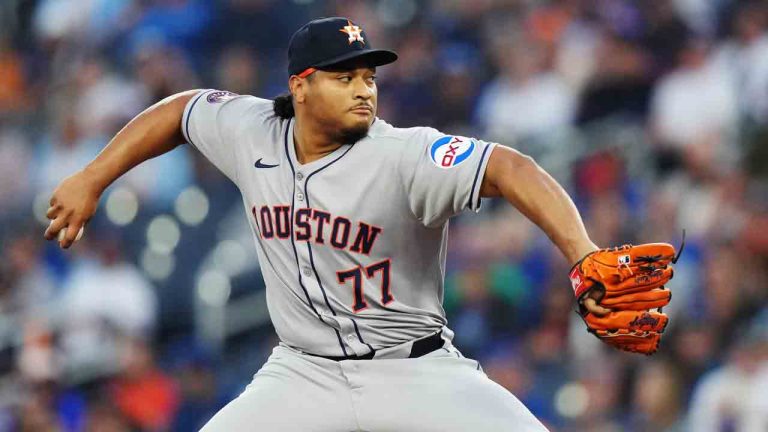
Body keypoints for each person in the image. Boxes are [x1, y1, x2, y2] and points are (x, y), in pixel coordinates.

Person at [46, 17, 619, 431]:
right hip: (301, 373)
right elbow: (181, 110)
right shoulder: (251, 130)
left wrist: (582, 250)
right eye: (344, 77)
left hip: (413, 371)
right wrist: (94, 177)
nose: (364, 89)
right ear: (300, 86)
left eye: (368, 77)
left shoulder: (404, 155)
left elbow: (511, 168)